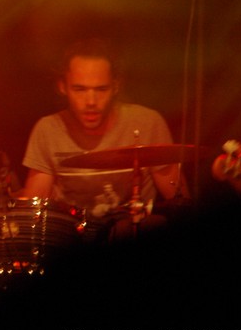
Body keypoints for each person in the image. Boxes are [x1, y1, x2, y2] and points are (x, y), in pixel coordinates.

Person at [20, 37, 188, 240]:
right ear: (62, 86)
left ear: (116, 86)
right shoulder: (48, 130)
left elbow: (181, 205)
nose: (91, 101)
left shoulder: (147, 123)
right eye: (80, 89)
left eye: (101, 89)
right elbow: (33, 213)